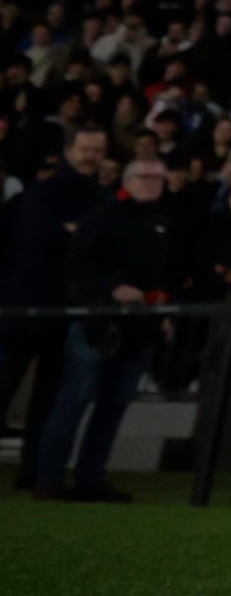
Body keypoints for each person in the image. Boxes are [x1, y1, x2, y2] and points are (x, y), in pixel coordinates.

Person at [31, 151, 174, 502]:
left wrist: (164, 310)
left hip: (140, 325)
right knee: (75, 399)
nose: (152, 183)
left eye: (158, 178)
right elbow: (78, 263)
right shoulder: (104, 214)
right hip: (97, 321)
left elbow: (165, 272)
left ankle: (90, 478)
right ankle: (48, 479)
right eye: (145, 177)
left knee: (114, 404)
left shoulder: (164, 221)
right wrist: (111, 288)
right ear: (127, 181)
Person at [4, 127, 112, 488]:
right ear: (69, 150)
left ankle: (32, 470)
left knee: (48, 399)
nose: (91, 155)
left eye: (97, 150)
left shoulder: (101, 197)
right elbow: (38, 238)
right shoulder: (43, 192)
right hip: (27, 307)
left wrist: (73, 233)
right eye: (85, 148)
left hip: (65, 310)